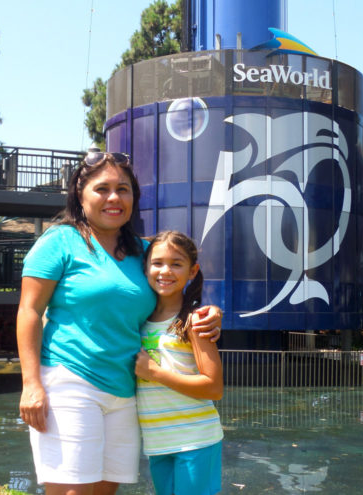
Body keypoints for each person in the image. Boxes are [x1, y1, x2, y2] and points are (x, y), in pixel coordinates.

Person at [16, 149, 222, 495]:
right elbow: (29, 312)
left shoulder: (144, 252)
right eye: (102, 188)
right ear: (80, 194)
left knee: (104, 491)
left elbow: (174, 282)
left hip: (125, 392)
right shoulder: (59, 242)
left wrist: (210, 312)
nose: (114, 198)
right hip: (70, 381)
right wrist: (31, 383)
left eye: (123, 189)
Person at [135, 230, 224, 495]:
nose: (166, 271)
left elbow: (214, 387)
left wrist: (155, 373)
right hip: (157, 441)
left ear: (192, 271)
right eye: (157, 263)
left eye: (176, 264)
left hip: (196, 440)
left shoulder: (195, 321)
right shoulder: (139, 319)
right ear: (145, 267)